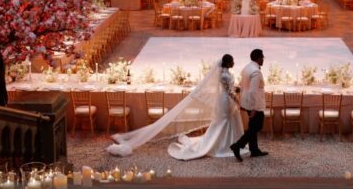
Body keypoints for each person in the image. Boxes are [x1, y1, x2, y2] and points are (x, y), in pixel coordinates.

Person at [105, 54, 247, 160]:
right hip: (226, 99)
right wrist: (237, 100)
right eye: (232, 61)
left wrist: (236, 91)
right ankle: (222, 145)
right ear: (228, 62)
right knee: (223, 122)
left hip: (226, 99)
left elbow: (230, 87)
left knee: (224, 122)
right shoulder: (223, 75)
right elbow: (228, 91)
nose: (234, 62)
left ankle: (227, 142)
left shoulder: (226, 73)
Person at [231, 49, 269, 160]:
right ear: (258, 58)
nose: (263, 60)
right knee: (257, 127)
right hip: (254, 104)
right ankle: (237, 145)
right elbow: (253, 91)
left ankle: (254, 150)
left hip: (247, 102)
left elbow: (243, 87)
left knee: (253, 127)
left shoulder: (246, 68)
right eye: (262, 57)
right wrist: (255, 108)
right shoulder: (256, 72)